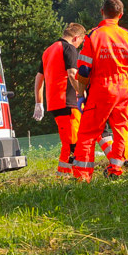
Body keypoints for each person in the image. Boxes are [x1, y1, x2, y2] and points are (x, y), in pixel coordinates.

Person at [72, 0, 128, 181]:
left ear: (102, 11)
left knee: (87, 132)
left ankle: (82, 176)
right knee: (121, 130)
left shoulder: (94, 35)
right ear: (121, 15)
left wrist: (81, 93)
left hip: (102, 88)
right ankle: (115, 170)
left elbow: (84, 70)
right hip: (124, 88)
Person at [33, 23, 87, 175]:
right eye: (80, 42)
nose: (79, 46)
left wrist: (39, 102)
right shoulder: (69, 48)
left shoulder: (48, 50)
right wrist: (81, 93)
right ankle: (65, 176)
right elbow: (71, 74)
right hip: (68, 101)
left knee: (68, 142)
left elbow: (38, 79)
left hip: (54, 102)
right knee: (72, 143)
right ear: (76, 38)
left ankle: (63, 175)